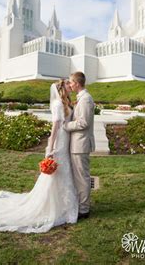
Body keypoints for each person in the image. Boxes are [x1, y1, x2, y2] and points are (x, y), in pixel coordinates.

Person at [0, 80, 78, 233]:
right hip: (59, 141)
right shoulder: (58, 105)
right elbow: (55, 128)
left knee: (63, 172)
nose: (70, 86)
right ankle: (57, 206)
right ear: (61, 88)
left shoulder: (65, 102)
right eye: (67, 84)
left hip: (65, 140)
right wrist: (50, 147)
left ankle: (63, 204)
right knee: (57, 173)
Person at [63, 71, 95, 219]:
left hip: (80, 144)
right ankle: (81, 205)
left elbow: (83, 123)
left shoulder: (86, 100)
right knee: (79, 177)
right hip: (77, 144)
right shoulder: (81, 98)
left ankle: (84, 210)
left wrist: (66, 126)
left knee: (82, 178)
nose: (69, 84)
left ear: (76, 83)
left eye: (70, 82)